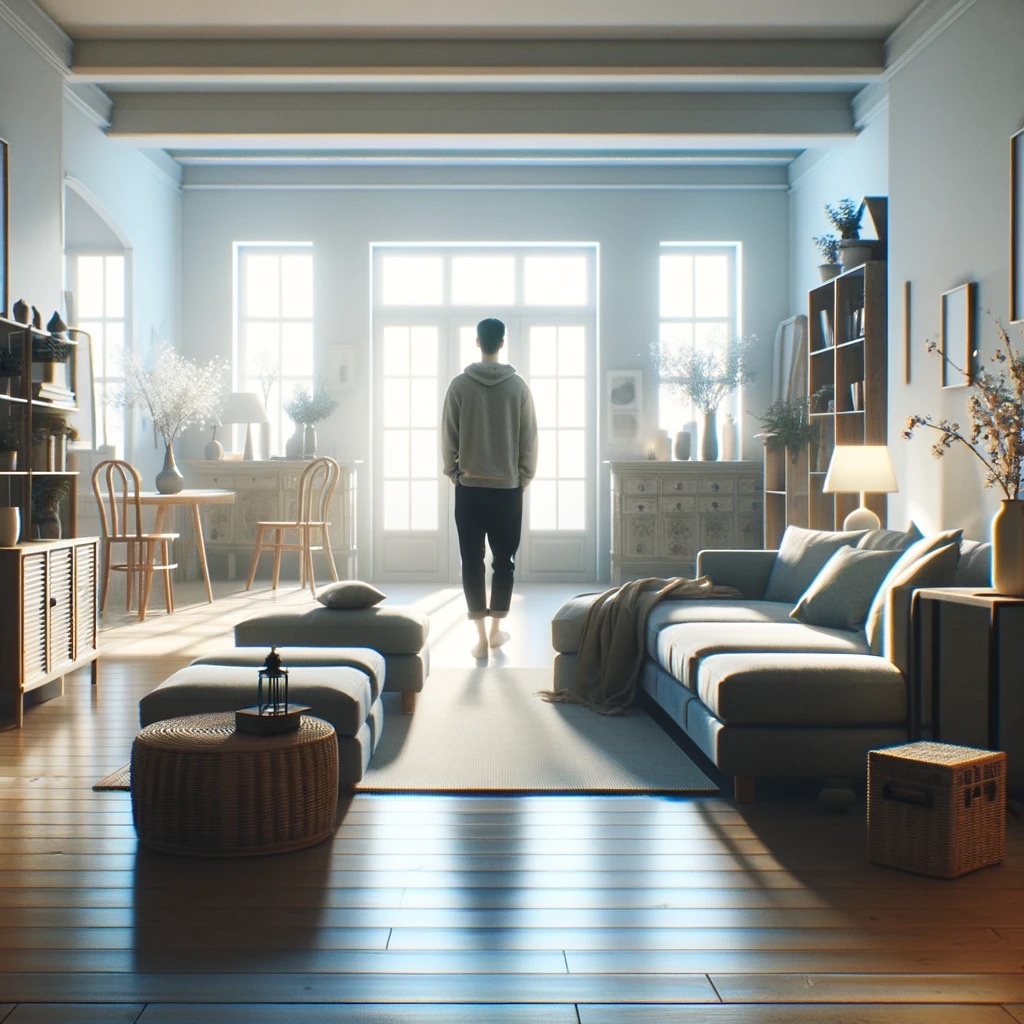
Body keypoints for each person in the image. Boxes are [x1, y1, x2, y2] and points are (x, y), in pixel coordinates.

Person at [442, 317, 538, 659]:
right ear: (502, 342)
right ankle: (497, 632)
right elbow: (529, 440)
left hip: (469, 487)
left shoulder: (459, 386)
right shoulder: (518, 387)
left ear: (477, 342)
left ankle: (480, 638)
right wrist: (522, 478)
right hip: (507, 489)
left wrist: (454, 473)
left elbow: (448, 436)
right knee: (504, 562)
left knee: (471, 560)